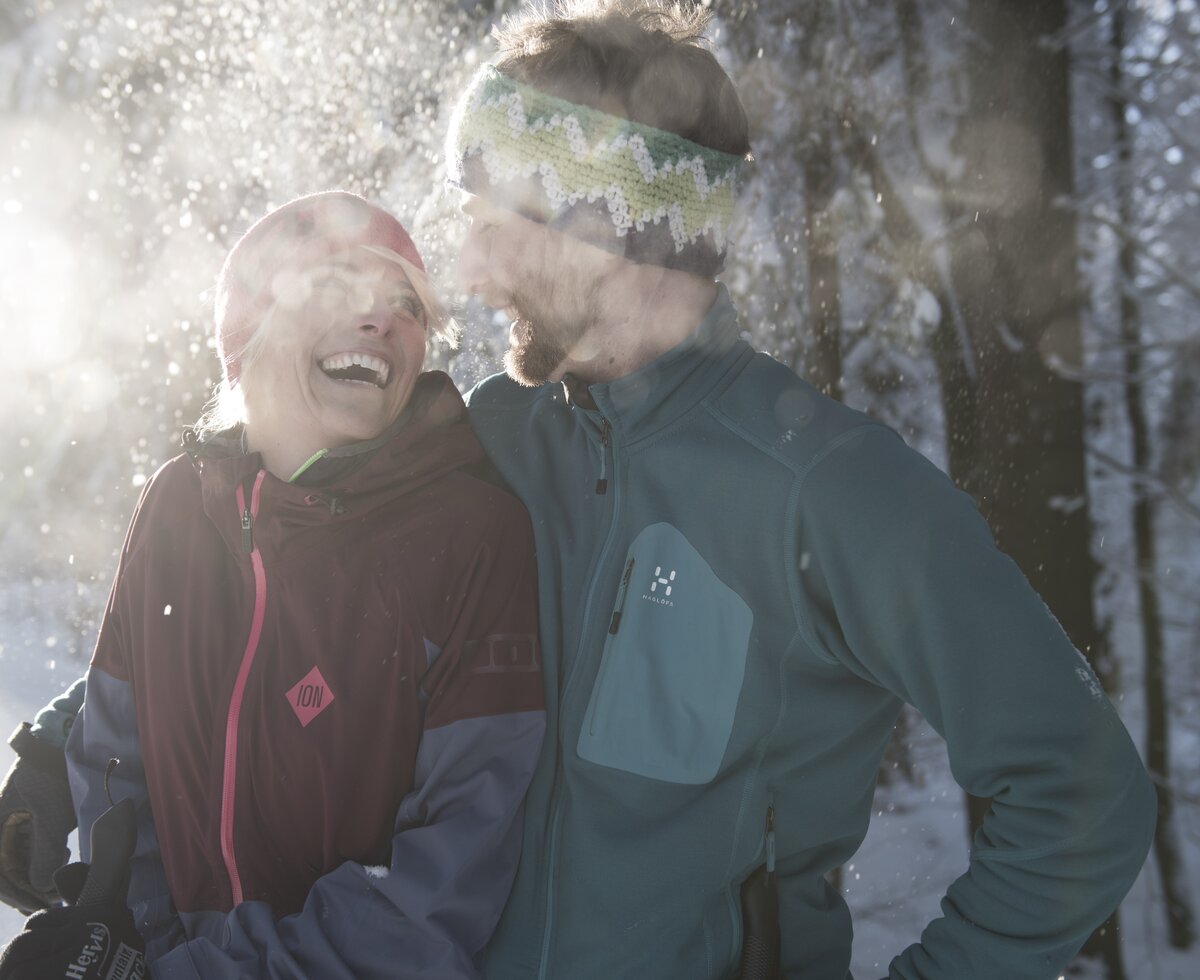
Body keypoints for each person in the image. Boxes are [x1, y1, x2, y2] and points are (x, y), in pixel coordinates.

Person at [1, 3, 1158, 978]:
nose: (471, 268)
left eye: (494, 220)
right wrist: (62, 753)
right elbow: (265, 539)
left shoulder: (829, 488)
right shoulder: (487, 436)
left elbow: (1083, 792)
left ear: (604, 229)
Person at [0, 190, 544, 980]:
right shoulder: (177, 506)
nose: (382, 320)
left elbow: (438, 890)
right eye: (340, 289)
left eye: (407, 306)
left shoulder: (468, 539)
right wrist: (120, 937)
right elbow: (119, 760)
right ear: (246, 329)